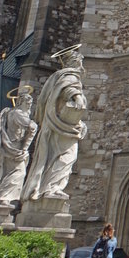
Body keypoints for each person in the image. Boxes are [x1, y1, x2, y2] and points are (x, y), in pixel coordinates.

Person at [21, 46, 88, 201]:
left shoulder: (57, 77)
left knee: (54, 158)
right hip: (61, 128)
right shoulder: (68, 76)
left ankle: (49, 188)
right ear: (73, 62)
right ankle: (51, 188)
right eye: (79, 61)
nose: (81, 65)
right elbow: (68, 89)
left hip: (59, 127)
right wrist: (77, 97)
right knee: (66, 157)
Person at [0, 88, 38, 205]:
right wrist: (25, 147)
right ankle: (3, 197)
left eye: (30, 104)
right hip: (15, 147)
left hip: (8, 146)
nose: (29, 106)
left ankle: (3, 198)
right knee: (18, 172)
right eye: (28, 104)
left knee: (8, 172)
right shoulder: (18, 114)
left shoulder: (10, 112)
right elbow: (33, 127)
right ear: (21, 103)